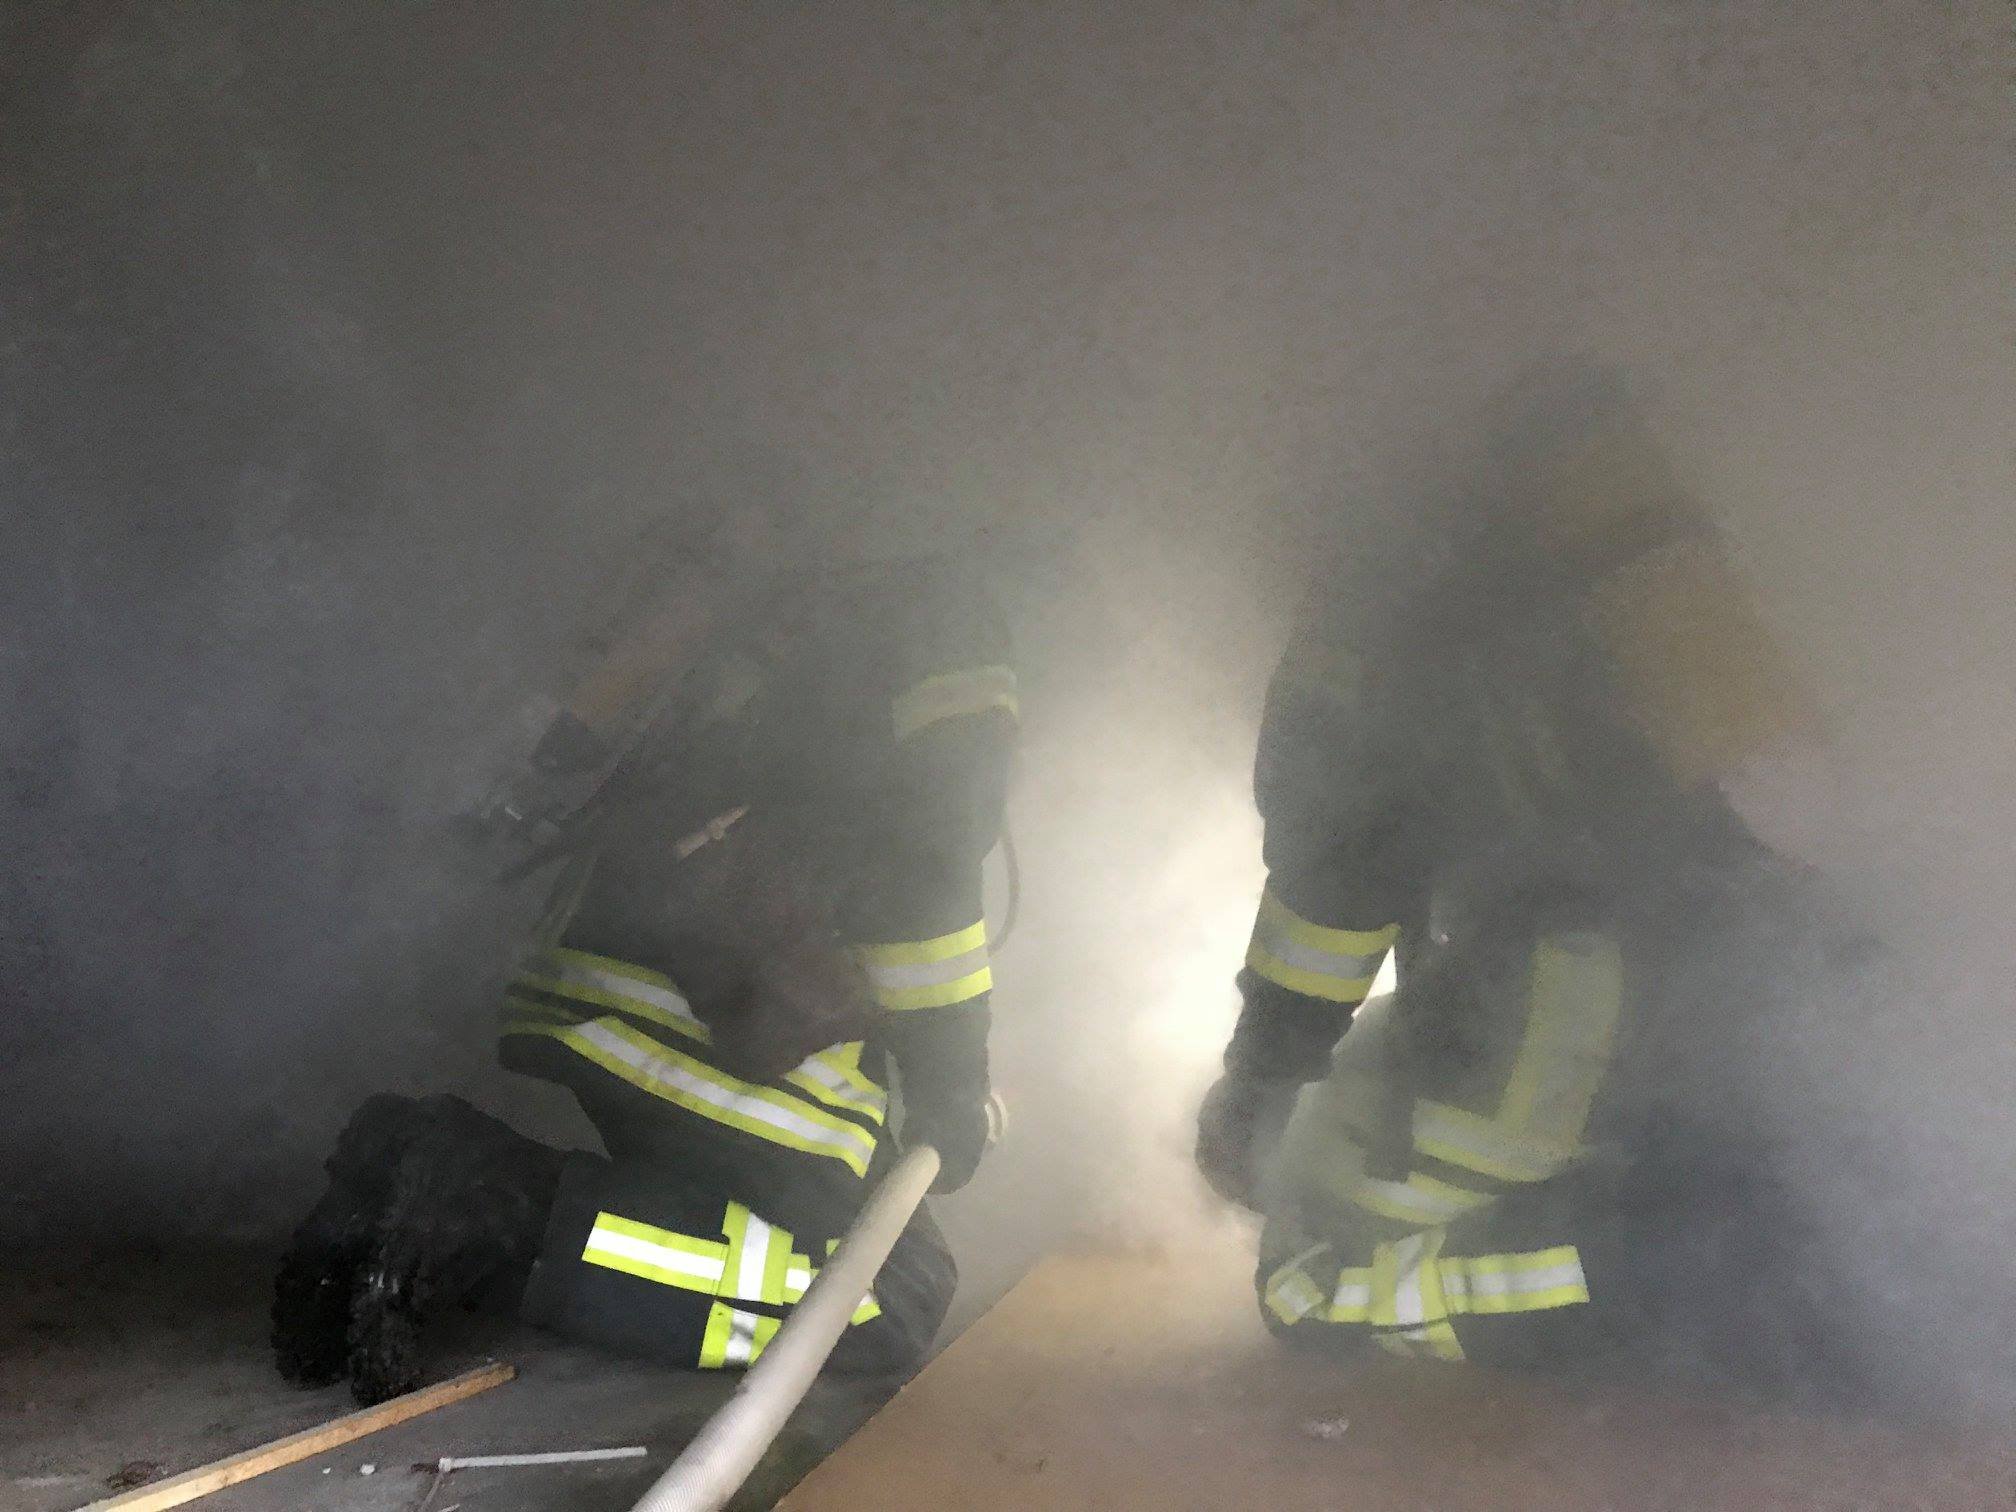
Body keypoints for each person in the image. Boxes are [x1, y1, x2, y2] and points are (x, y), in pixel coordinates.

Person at [1195, 369, 1870, 1395]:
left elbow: (1332, 885)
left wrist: (1259, 1086)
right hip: (1764, 984)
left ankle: (1698, 1282)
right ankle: (1786, 1249)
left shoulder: (1371, 610)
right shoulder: (1615, 564)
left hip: (1569, 994)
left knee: (1312, 1285)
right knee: (1667, 1171)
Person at [274, 507, 1016, 1404]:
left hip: (619, 983)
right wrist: (949, 1079)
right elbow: (927, 858)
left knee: (731, 1223)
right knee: (888, 1294)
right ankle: (493, 1209)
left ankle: (387, 1193)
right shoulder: (952, 622)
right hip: (720, 1010)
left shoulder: (814, 596)